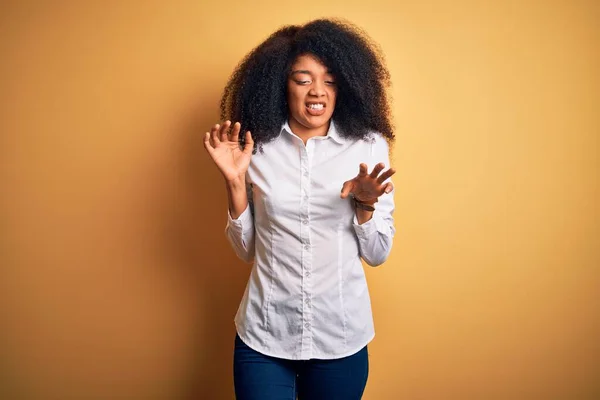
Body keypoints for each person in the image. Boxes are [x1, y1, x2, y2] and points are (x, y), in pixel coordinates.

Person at [203, 18, 396, 400]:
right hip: (265, 331)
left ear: (347, 86)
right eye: (302, 79)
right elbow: (248, 252)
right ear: (281, 85)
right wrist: (235, 182)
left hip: (339, 335)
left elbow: (378, 254)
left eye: (330, 80)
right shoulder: (255, 147)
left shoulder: (368, 146)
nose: (317, 92)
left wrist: (365, 205)